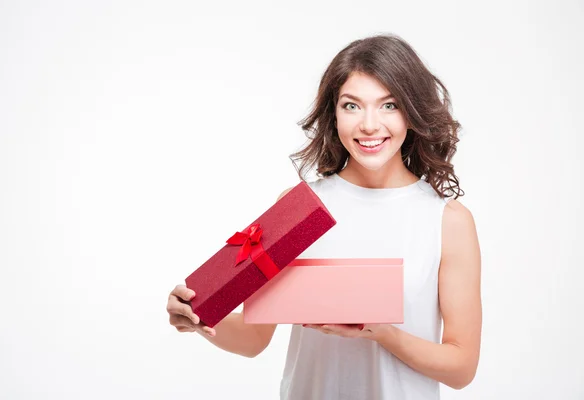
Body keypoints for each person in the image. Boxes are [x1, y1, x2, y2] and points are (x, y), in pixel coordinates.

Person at [166, 33, 482, 400]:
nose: (369, 125)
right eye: (351, 106)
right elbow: (255, 339)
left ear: (411, 112)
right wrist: (200, 318)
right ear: (333, 113)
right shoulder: (298, 208)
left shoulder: (446, 219)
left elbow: (461, 367)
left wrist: (382, 332)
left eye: (389, 105)